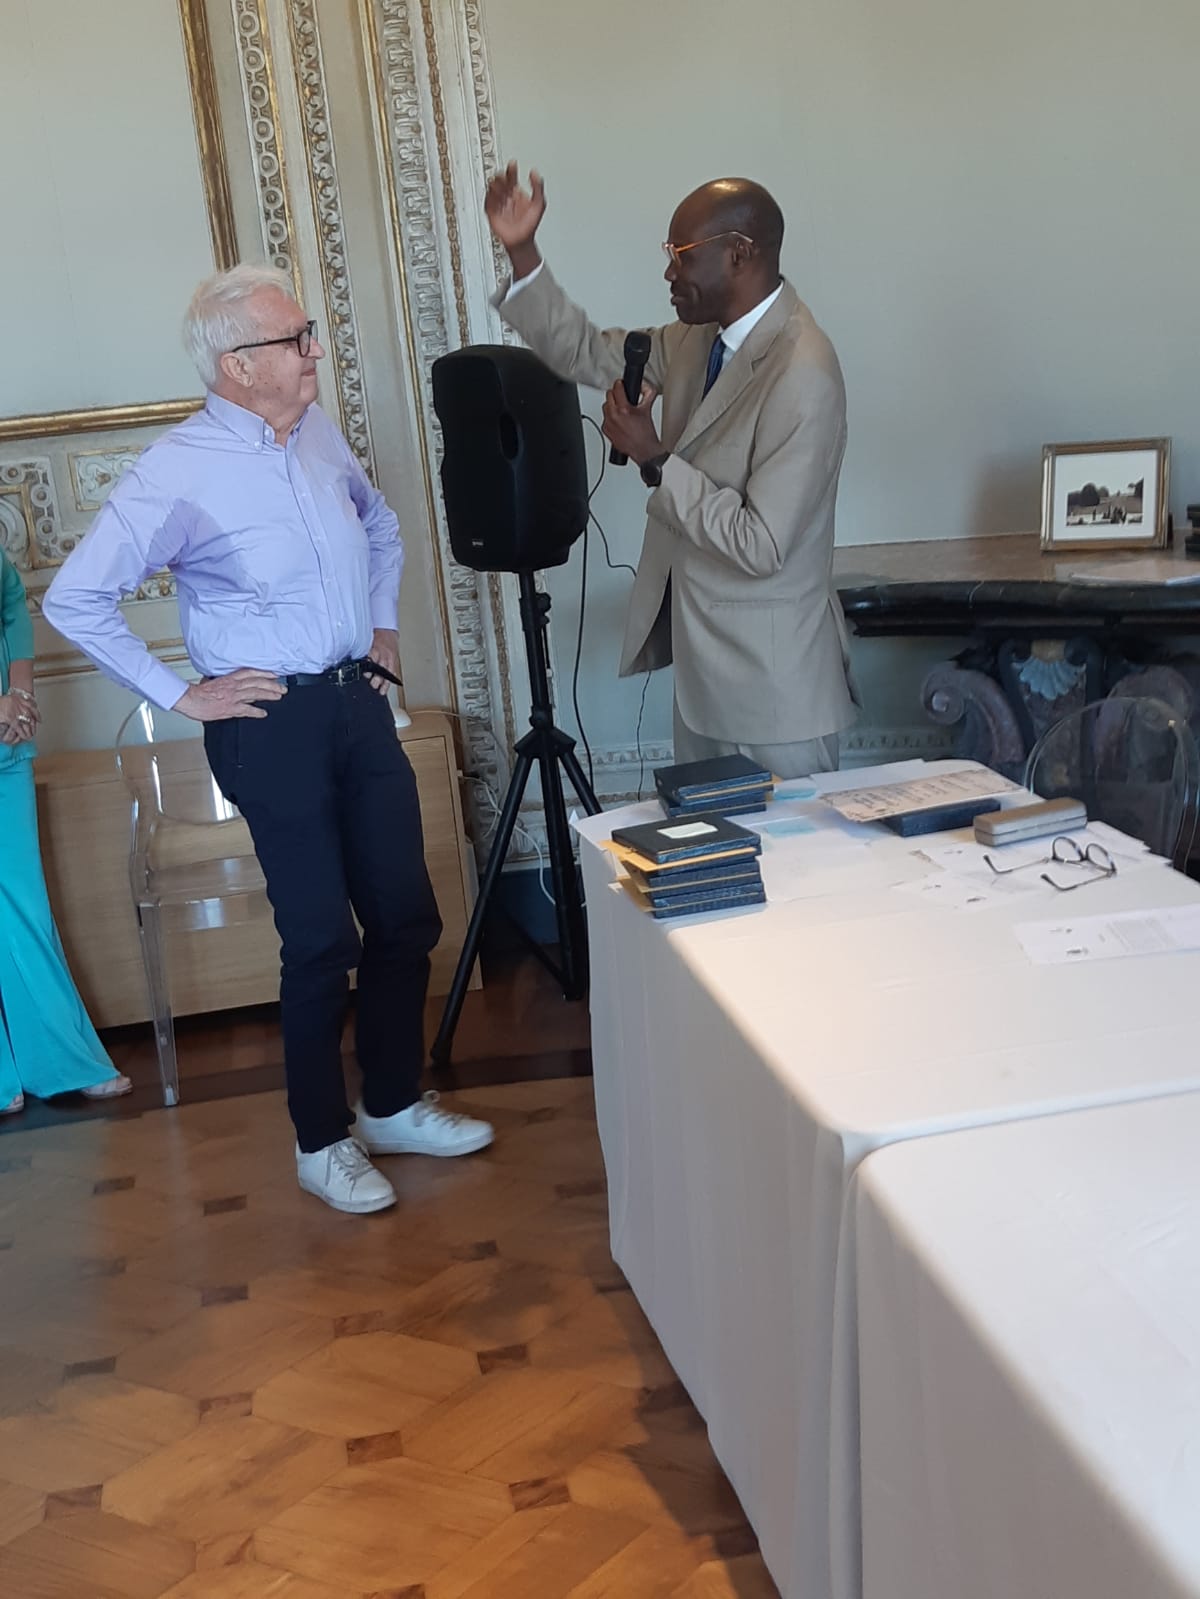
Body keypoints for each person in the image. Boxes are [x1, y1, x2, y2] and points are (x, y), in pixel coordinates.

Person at [43, 263, 492, 1211]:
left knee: (406, 913)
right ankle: (321, 1141)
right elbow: (77, 597)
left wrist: (381, 628)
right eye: (296, 339)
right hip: (269, 724)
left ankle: (392, 1103)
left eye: (309, 332)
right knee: (321, 936)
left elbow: (382, 526)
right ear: (237, 365)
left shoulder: (316, 432)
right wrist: (183, 693)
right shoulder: (178, 468)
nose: (314, 351)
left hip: (358, 701)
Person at [486, 166, 859, 779]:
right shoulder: (694, 340)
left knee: (786, 847)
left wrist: (656, 458)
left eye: (681, 255)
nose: (668, 273)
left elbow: (762, 544)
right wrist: (523, 251)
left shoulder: (803, 371)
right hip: (702, 682)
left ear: (739, 253)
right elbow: (584, 351)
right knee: (707, 844)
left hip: (777, 696)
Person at [0, 549, 131, 1115]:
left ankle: (64, 1061)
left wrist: (21, 697)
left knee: (25, 908)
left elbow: (11, 604)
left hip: (7, 747)